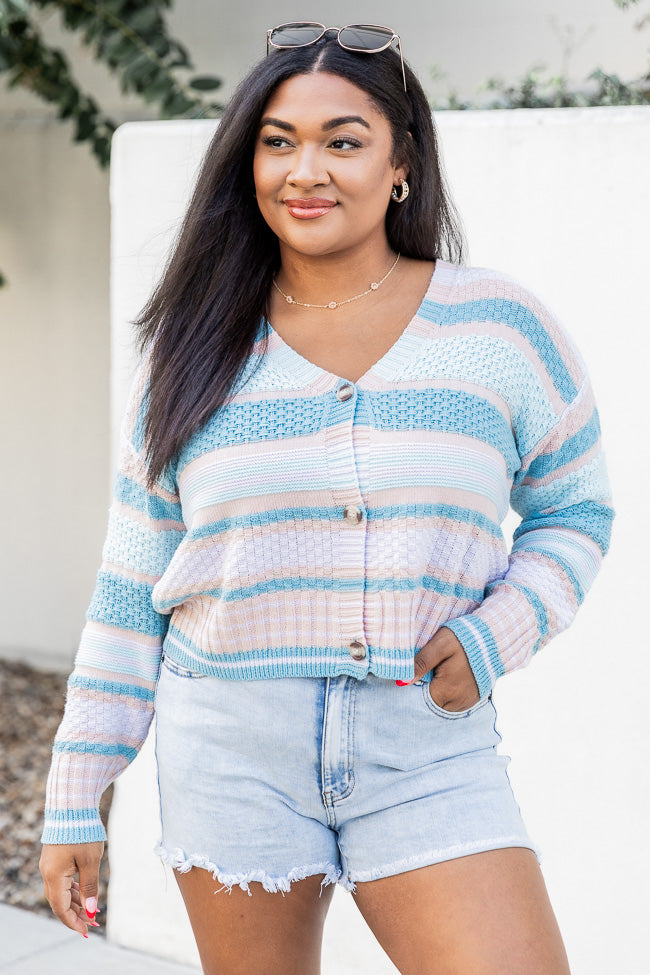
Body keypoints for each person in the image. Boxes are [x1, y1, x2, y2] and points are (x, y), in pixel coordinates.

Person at [39, 22, 615, 975]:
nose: (305, 170)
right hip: (230, 746)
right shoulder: (192, 349)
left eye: (343, 141)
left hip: (425, 747)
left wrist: (493, 635)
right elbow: (132, 585)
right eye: (278, 141)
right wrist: (76, 795)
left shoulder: (498, 328)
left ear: (400, 164)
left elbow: (577, 510)